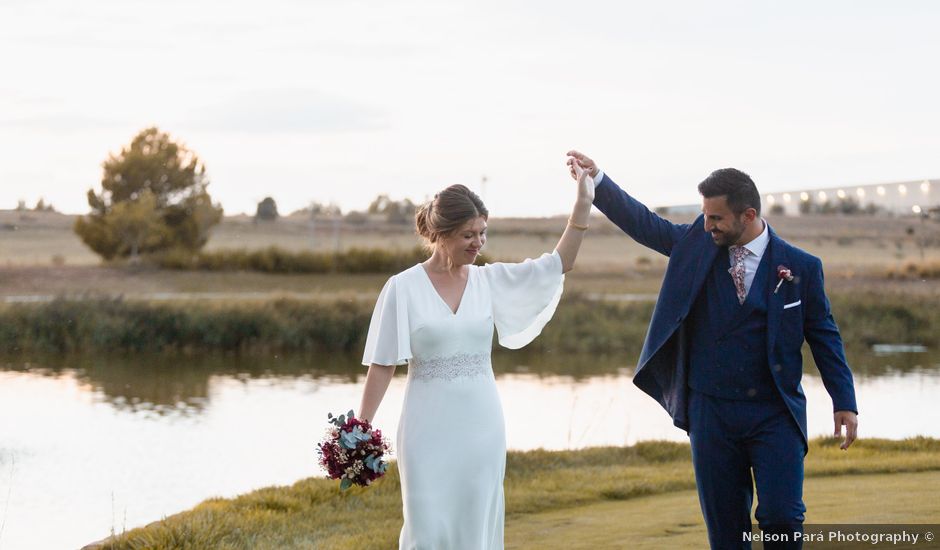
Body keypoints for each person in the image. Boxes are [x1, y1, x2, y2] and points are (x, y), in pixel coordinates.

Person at [566, 151, 858, 550]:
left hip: (775, 412)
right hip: (711, 413)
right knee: (725, 532)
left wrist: (844, 400)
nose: (707, 225)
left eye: (716, 218)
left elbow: (824, 335)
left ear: (748, 215)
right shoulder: (694, 244)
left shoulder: (800, 267)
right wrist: (599, 181)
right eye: (705, 215)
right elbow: (643, 223)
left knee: (783, 518)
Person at [356, 166, 594, 549]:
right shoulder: (403, 288)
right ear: (441, 234)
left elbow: (557, 264)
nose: (478, 242)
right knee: (426, 530)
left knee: (476, 527)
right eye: (468, 234)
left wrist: (582, 205)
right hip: (426, 428)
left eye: (482, 233)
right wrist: (360, 431)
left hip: (481, 426)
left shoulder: (488, 282)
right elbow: (382, 364)